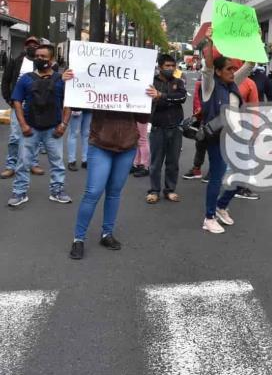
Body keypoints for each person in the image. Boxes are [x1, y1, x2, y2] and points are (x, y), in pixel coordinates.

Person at [69, 103, 157, 260]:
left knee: (114, 192)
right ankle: (78, 239)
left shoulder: (136, 86)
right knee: (93, 192)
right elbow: (76, 103)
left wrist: (151, 99)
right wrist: (70, 82)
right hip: (101, 144)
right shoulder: (100, 81)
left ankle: (107, 233)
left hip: (127, 145)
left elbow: (143, 118)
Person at [199, 29, 254, 234]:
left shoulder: (232, 85)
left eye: (234, 69)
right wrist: (210, 42)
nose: (233, 71)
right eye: (229, 69)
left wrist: (254, 40)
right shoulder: (210, 85)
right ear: (219, 72)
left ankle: (222, 205)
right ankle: (209, 217)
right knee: (217, 175)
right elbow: (208, 67)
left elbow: (249, 65)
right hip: (216, 138)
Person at [7, 44, 72, 207]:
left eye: (43, 56)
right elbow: (17, 102)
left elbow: (68, 103)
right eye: (37, 56)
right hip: (31, 128)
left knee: (57, 162)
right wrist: (23, 125)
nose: (39, 59)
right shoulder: (26, 79)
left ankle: (57, 190)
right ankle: (19, 192)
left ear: (52, 60)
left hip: (53, 128)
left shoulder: (61, 79)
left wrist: (63, 124)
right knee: (23, 162)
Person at [1, 35, 44, 179]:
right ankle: (11, 165)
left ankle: (33, 163)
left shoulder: (42, 63)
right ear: (25, 47)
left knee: (35, 136)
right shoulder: (16, 61)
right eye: (29, 45)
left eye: (35, 45)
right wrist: (9, 99)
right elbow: (5, 81)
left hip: (36, 106)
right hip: (18, 104)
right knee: (14, 136)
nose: (32, 47)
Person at [146, 54, 187, 204]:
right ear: (160, 67)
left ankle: (170, 190)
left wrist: (161, 96)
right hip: (157, 128)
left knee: (173, 162)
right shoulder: (151, 82)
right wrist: (165, 98)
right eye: (167, 66)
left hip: (175, 128)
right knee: (156, 162)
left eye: (172, 66)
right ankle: (154, 191)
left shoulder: (178, 82)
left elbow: (181, 98)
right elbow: (149, 99)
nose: (170, 69)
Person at [182, 77, 206, 181]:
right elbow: (197, 101)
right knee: (200, 144)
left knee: (216, 147)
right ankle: (196, 168)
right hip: (204, 118)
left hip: (219, 118)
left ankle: (214, 172)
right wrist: (198, 112)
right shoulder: (201, 82)